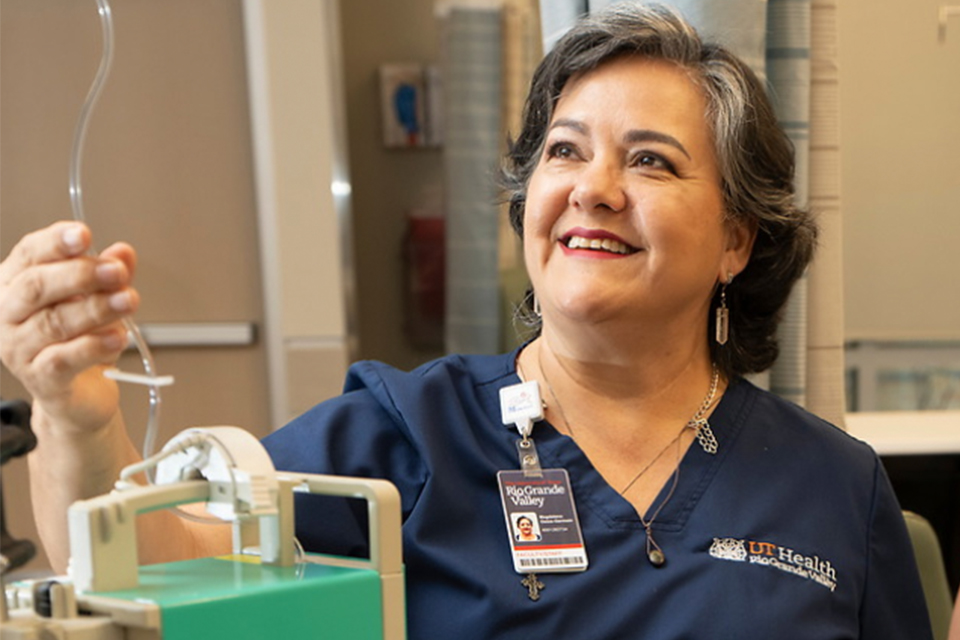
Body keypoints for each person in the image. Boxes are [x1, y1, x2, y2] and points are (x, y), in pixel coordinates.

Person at [0, 3, 933, 638]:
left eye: (650, 161)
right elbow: (154, 567)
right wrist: (75, 416)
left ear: (735, 239)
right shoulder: (405, 435)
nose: (594, 189)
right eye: (564, 151)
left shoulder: (833, 485)